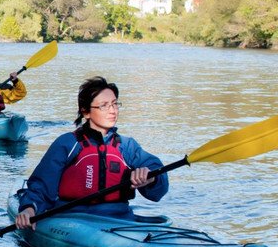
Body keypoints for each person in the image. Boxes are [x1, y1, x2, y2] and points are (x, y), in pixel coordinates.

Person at [13, 76, 168, 229]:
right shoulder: (67, 143)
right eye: (104, 106)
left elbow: (158, 184)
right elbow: (42, 185)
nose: (112, 110)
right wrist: (29, 208)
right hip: (72, 220)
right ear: (86, 112)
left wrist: (151, 178)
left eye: (115, 104)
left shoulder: (127, 146)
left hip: (119, 221)